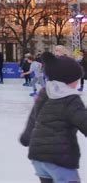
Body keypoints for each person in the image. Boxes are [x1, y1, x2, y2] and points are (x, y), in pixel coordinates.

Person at [20, 52, 86, 183]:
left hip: (38, 157)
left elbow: (34, 116)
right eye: (76, 79)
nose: (78, 82)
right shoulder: (71, 99)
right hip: (60, 159)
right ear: (68, 79)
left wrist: (26, 137)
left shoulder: (45, 92)